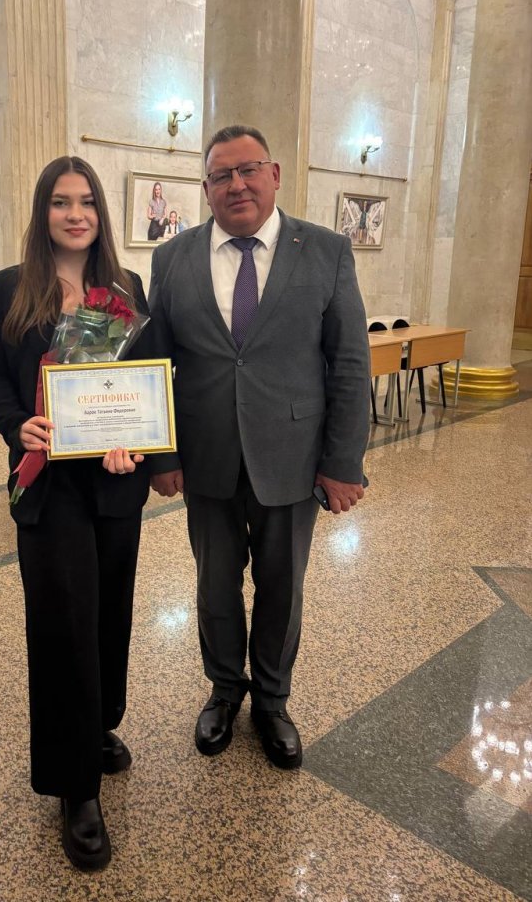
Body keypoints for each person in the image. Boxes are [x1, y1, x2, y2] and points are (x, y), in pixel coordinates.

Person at [148, 125, 370, 771]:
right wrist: (162, 454)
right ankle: (225, 690)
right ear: (206, 188)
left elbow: (349, 362)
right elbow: (156, 363)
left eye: (248, 170)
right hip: (206, 457)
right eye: (221, 175)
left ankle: (272, 701)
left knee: (282, 587)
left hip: (292, 457)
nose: (236, 184)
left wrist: (343, 463)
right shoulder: (173, 257)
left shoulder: (325, 251)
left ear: (274, 174)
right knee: (214, 587)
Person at [0, 156, 150, 872]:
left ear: (101, 213)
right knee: (63, 628)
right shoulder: (11, 287)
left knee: (108, 616)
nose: (75, 214)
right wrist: (15, 424)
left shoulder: (125, 288)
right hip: (49, 485)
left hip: (112, 484)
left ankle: (97, 725)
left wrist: (135, 442)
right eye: (60, 202)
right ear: (42, 212)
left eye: (86, 202)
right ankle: (75, 786)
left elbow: (144, 379)